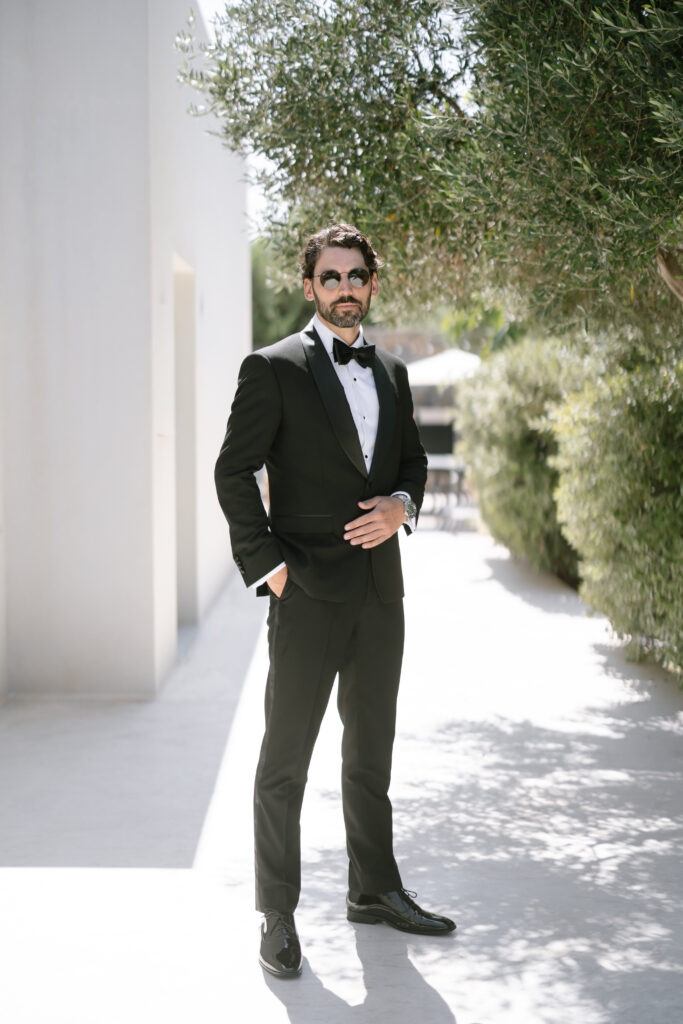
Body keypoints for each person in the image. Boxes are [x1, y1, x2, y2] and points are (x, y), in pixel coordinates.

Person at [214, 223, 456, 979]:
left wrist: (400, 506)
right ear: (310, 285)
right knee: (285, 760)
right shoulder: (272, 368)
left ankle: (374, 890)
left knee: (370, 752)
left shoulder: (390, 370)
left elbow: (412, 462)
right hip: (306, 593)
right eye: (331, 277)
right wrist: (270, 570)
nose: (344, 289)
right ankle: (277, 914)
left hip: (382, 594)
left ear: (371, 284)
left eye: (356, 277)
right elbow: (232, 472)